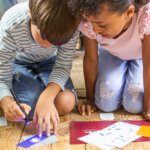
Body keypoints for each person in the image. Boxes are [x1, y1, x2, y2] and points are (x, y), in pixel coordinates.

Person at [0, 0, 80, 137]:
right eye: (43, 37)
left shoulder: (71, 24)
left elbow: (63, 66)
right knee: (27, 111)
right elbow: (2, 75)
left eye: (56, 42)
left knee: (66, 102)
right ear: (31, 14)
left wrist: (46, 98)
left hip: (50, 62)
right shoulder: (12, 23)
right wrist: (6, 103)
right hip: (19, 63)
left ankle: (39, 94)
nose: (48, 45)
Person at [68, 0, 150, 120]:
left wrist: (148, 107)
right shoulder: (89, 20)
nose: (95, 30)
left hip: (142, 57)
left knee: (134, 105)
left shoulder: (145, 16)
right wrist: (90, 99)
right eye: (92, 23)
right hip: (112, 54)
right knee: (105, 102)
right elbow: (91, 58)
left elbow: (148, 64)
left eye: (102, 25)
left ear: (129, 12)